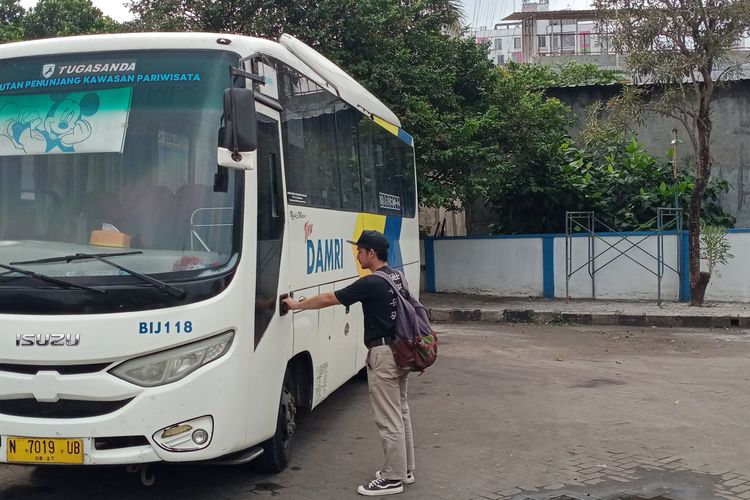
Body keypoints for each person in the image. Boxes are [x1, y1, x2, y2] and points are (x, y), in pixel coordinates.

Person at [282, 229, 415, 496]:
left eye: (360, 251)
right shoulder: (396, 276)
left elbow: (331, 298)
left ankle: (393, 478)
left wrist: (297, 305)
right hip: (401, 350)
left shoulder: (371, 283)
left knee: (388, 418)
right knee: (400, 411)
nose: (357, 255)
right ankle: (405, 469)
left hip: (383, 355)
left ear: (372, 254)